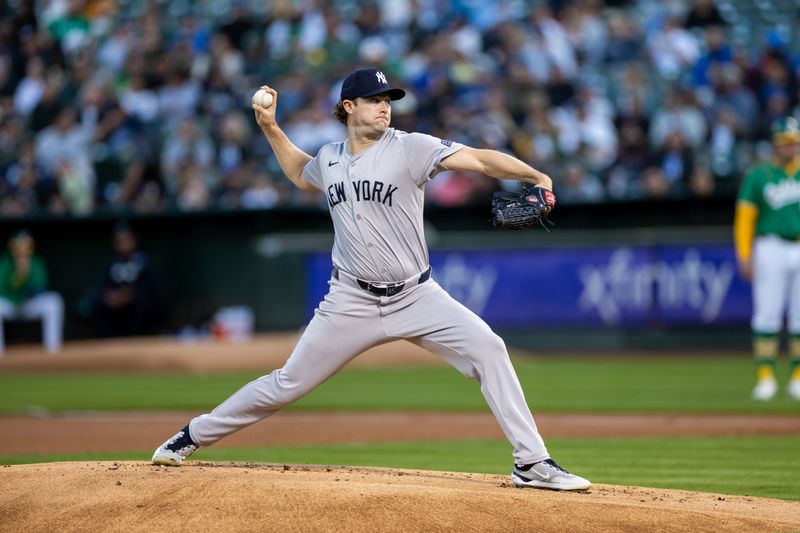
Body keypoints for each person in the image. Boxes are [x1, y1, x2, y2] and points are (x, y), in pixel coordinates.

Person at [152, 69, 591, 491]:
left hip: (417, 295)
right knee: (287, 383)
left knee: (488, 347)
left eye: (388, 101)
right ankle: (192, 435)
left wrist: (534, 176)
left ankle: (531, 462)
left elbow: (478, 159)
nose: (385, 108)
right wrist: (269, 125)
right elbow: (298, 172)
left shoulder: (410, 148)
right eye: (375, 101)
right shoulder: (329, 159)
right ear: (349, 106)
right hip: (349, 300)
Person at [734, 116, 800, 400]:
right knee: (767, 313)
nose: (792, 147)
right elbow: (745, 217)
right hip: (770, 246)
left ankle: (797, 377)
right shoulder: (759, 175)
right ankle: (766, 377)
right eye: (787, 142)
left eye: (795, 141)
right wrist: (744, 253)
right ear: (775, 144)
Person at [88, 221, 163, 338]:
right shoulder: (112, 262)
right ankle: (107, 343)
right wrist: (112, 296)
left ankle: (138, 340)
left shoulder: (143, 261)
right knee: (98, 304)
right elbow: (103, 286)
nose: (123, 244)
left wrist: (130, 295)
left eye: (126, 239)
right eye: (119, 241)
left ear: (134, 240)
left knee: (144, 304)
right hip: (116, 307)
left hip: (135, 305)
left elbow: (152, 289)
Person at [0, 230, 63, 355]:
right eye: (18, 245)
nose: (21, 249)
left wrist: (26, 273)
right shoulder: (5, 263)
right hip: (11, 306)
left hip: (29, 305)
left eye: (25, 245)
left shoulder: (36, 262)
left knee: (53, 301)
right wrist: (19, 275)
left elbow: (39, 288)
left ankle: (52, 351)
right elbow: (4, 289)